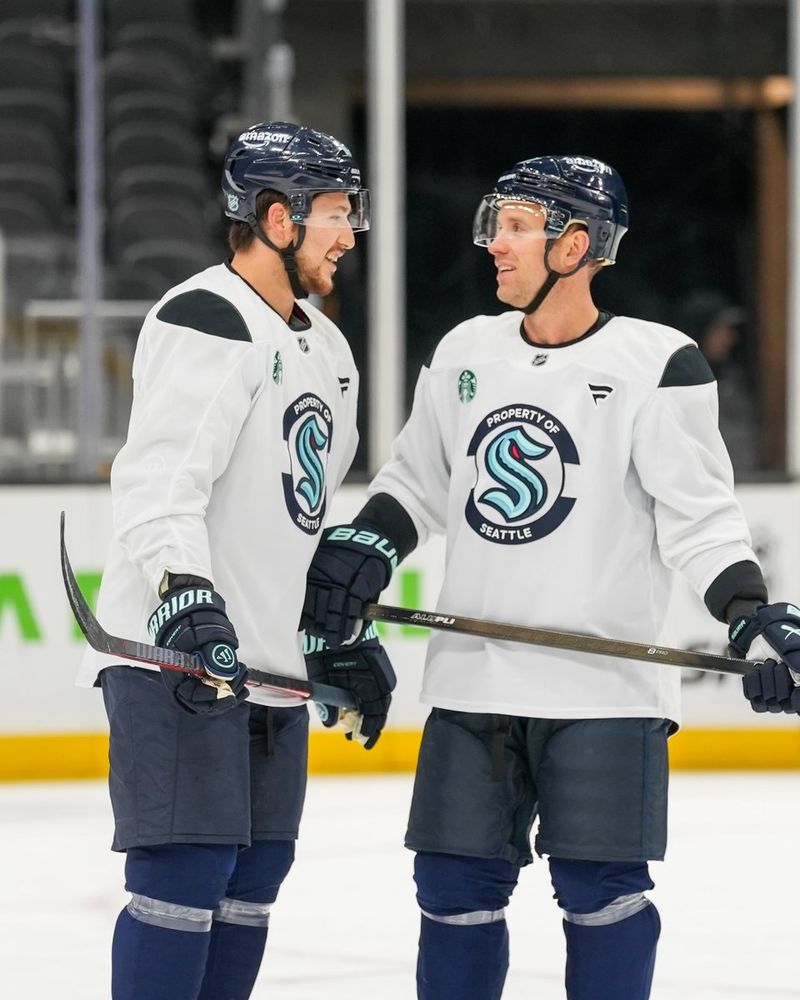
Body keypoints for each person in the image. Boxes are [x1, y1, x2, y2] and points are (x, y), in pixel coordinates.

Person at [301, 155, 800, 999]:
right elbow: (416, 483)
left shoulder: (659, 362)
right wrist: (368, 546)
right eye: (499, 224)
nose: (498, 242)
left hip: (604, 694)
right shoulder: (467, 350)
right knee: (452, 893)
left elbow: (701, 519)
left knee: (602, 897)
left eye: (521, 227)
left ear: (578, 244)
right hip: (474, 689)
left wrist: (750, 613)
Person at [76, 121, 395, 1000]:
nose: (349, 233)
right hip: (179, 660)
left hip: (266, 666)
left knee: (253, 887)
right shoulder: (208, 316)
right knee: (183, 881)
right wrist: (185, 592)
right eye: (336, 213)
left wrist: (328, 638)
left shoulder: (327, 349)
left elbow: (297, 518)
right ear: (275, 217)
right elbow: (157, 479)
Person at [678, 289, 763, 475]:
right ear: (700, 331)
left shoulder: (735, 379)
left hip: (746, 486)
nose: (731, 338)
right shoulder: (675, 386)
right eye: (721, 329)